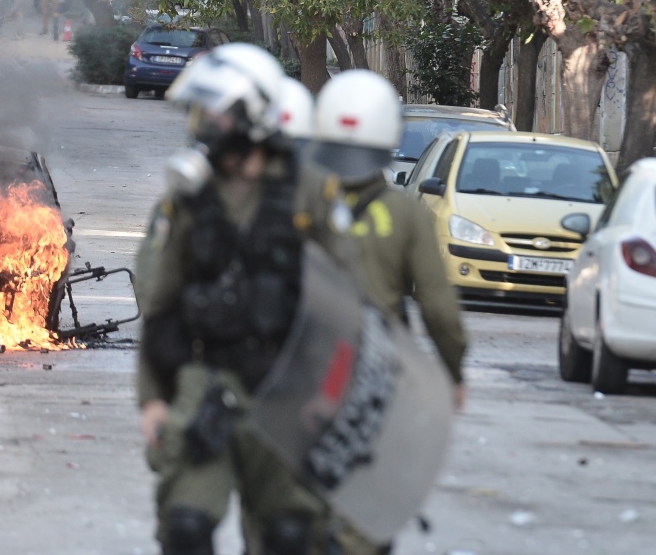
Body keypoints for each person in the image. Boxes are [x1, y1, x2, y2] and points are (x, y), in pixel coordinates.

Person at [135, 43, 325, 555]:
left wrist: (332, 396)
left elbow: (350, 305)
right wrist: (153, 399)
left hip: (288, 390)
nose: (202, 124)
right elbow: (161, 304)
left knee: (289, 536)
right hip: (208, 384)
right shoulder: (190, 197)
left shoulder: (309, 194)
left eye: (213, 111)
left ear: (250, 113)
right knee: (186, 528)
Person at [294, 70, 468, 554]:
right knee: (363, 504)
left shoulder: (299, 200)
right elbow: (438, 307)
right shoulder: (405, 212)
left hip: (304, 369)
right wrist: (453, 372)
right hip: (374, 375)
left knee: (295, 505)